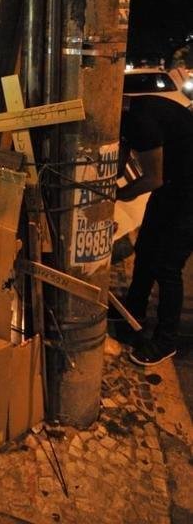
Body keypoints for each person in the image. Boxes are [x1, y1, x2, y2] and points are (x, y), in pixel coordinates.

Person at [116, 92, 193, 366]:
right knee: (146, 249)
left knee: (167, 266)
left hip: (186, 195)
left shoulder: (140, 121)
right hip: (173, 187)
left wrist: (121, 194)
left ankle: (166, 341)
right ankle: (132, 313)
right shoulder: (129, 115)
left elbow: (152, 178)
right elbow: (121, 157)